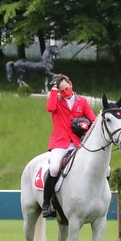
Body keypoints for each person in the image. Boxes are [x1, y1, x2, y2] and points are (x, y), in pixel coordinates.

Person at [42, 73, 96, 217]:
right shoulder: (57, 101)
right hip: (60, 143)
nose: (66, 92)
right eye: (62, 90)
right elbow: (49, 108)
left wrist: (86, 129)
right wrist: (54, 89)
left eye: (67, 88)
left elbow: (93, 120)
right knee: (54, 168)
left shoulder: (82, 102)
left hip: (78, 144)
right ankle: (46, 203)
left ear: (71, 84)